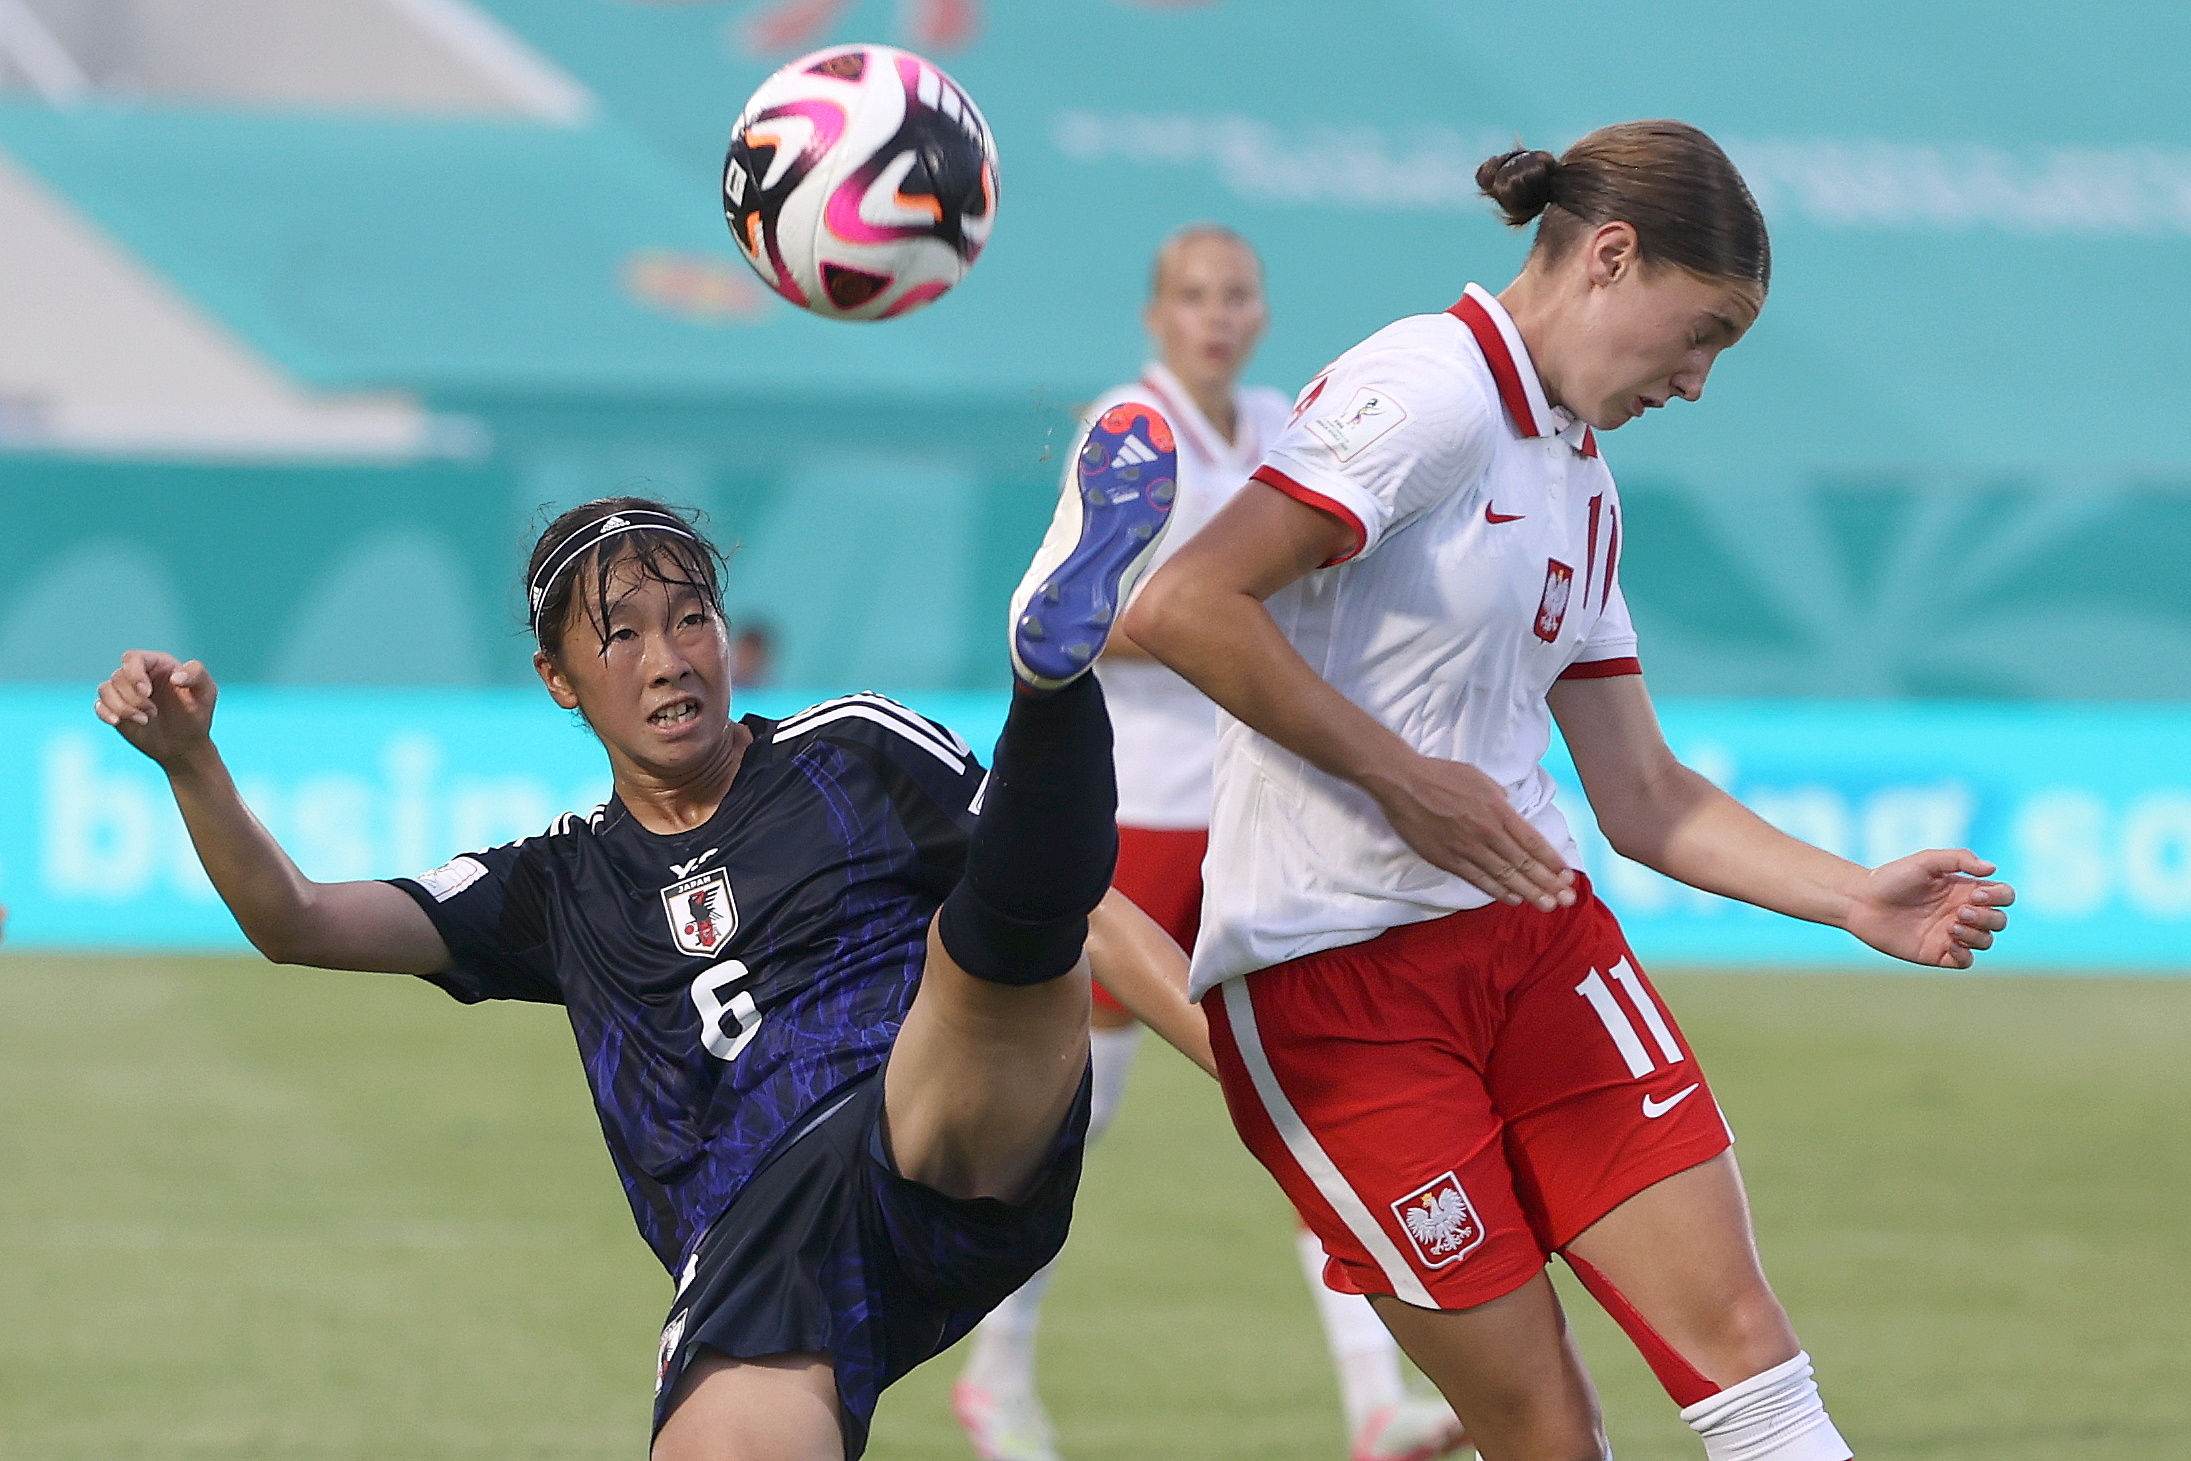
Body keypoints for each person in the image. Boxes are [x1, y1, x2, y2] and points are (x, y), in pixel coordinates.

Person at [1123, 122, 2016, 1461]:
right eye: (1701, 331)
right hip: (1332, 995)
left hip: (1536, 948)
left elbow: (1640, 790)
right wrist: (1403, 780)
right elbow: (1183, 599)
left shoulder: (1579, 479)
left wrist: (1848, 898)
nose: (1700, 379)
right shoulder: (1422, 389)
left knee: (1749, 1360)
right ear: (1610, 256)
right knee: (1543, 1429)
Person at [92, 407, 1206, 1461]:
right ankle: (1051, 684)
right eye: (618, 636)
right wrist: (192, 761)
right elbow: (296, 920)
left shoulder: (851, 751)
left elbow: (1092, 914)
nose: (668, 658)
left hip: (933, 1119)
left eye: (690, 620)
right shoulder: (555, 881)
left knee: (1004, 950)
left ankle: (1050, 681)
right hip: (759, 1255)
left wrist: (1249, 1063)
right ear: (558, 680)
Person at [955, 225, 1469, 1461]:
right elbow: (1050, 615)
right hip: (1127, 820)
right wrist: (1205, 618)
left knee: (1310, 1095)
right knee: (1072, 1117)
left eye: (1236, 295)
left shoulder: (1285, 422)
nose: (1217, 315)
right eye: (1194, 296)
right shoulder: (1126, 428)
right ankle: (996, 1374)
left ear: (1260, 312)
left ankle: (1377, 1399)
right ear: (1155, 312)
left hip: (1254, 815)